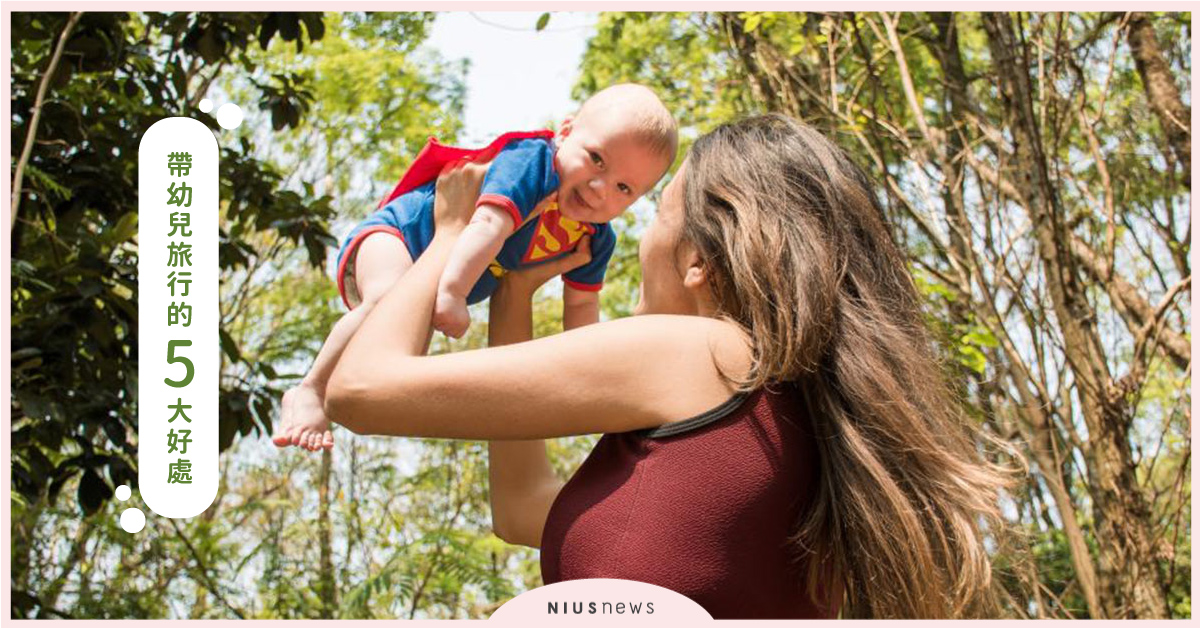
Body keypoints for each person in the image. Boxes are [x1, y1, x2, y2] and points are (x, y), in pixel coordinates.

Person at [320, 114, 1013, 618]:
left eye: (655, 216)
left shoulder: (703, 353)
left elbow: (360, 389)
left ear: (699, 260)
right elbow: (522, 508)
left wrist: (448, 235)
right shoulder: (789, 415)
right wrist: (517, 290)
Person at [274, 83, 678, 452]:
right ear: (566, 132)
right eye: (596, 160)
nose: (599, 188)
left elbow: (581, 309)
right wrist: (451, 292)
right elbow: (487, 224)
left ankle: (341, 393)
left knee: (401, 355)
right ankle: (310, 389)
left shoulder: (594, 238)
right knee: (386, 298)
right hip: (400, 235)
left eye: (624, 188)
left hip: (434, 275)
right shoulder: (532, 165)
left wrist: (594, 376)